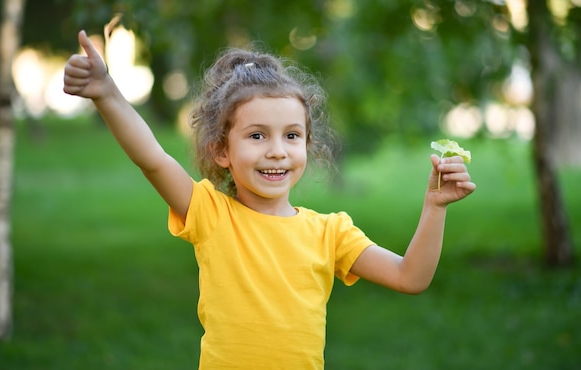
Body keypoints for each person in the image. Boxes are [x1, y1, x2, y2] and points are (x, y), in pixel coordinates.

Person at [63, 30, 476, 369]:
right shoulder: (210, 213)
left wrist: (434, 206)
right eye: (257, 135)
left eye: (291, 135)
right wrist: (106, 93)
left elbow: (411, 277)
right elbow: (152, 158)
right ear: (221, 151)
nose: (277, 151)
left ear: (308, 146)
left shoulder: (330, 233)